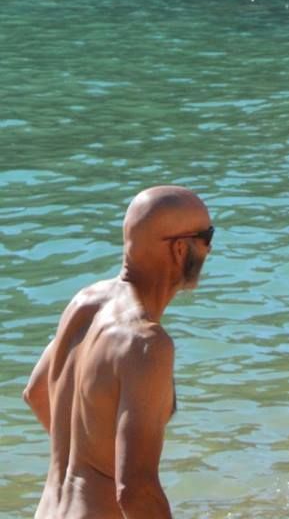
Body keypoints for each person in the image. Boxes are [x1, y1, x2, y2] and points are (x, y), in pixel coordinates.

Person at [23, 184, 215, 519]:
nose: (211, 250)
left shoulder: (85, 302)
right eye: (208, 236)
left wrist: (88, 461)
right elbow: (136, 490)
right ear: (181, 249)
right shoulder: (145, 343)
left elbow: (37, 393)